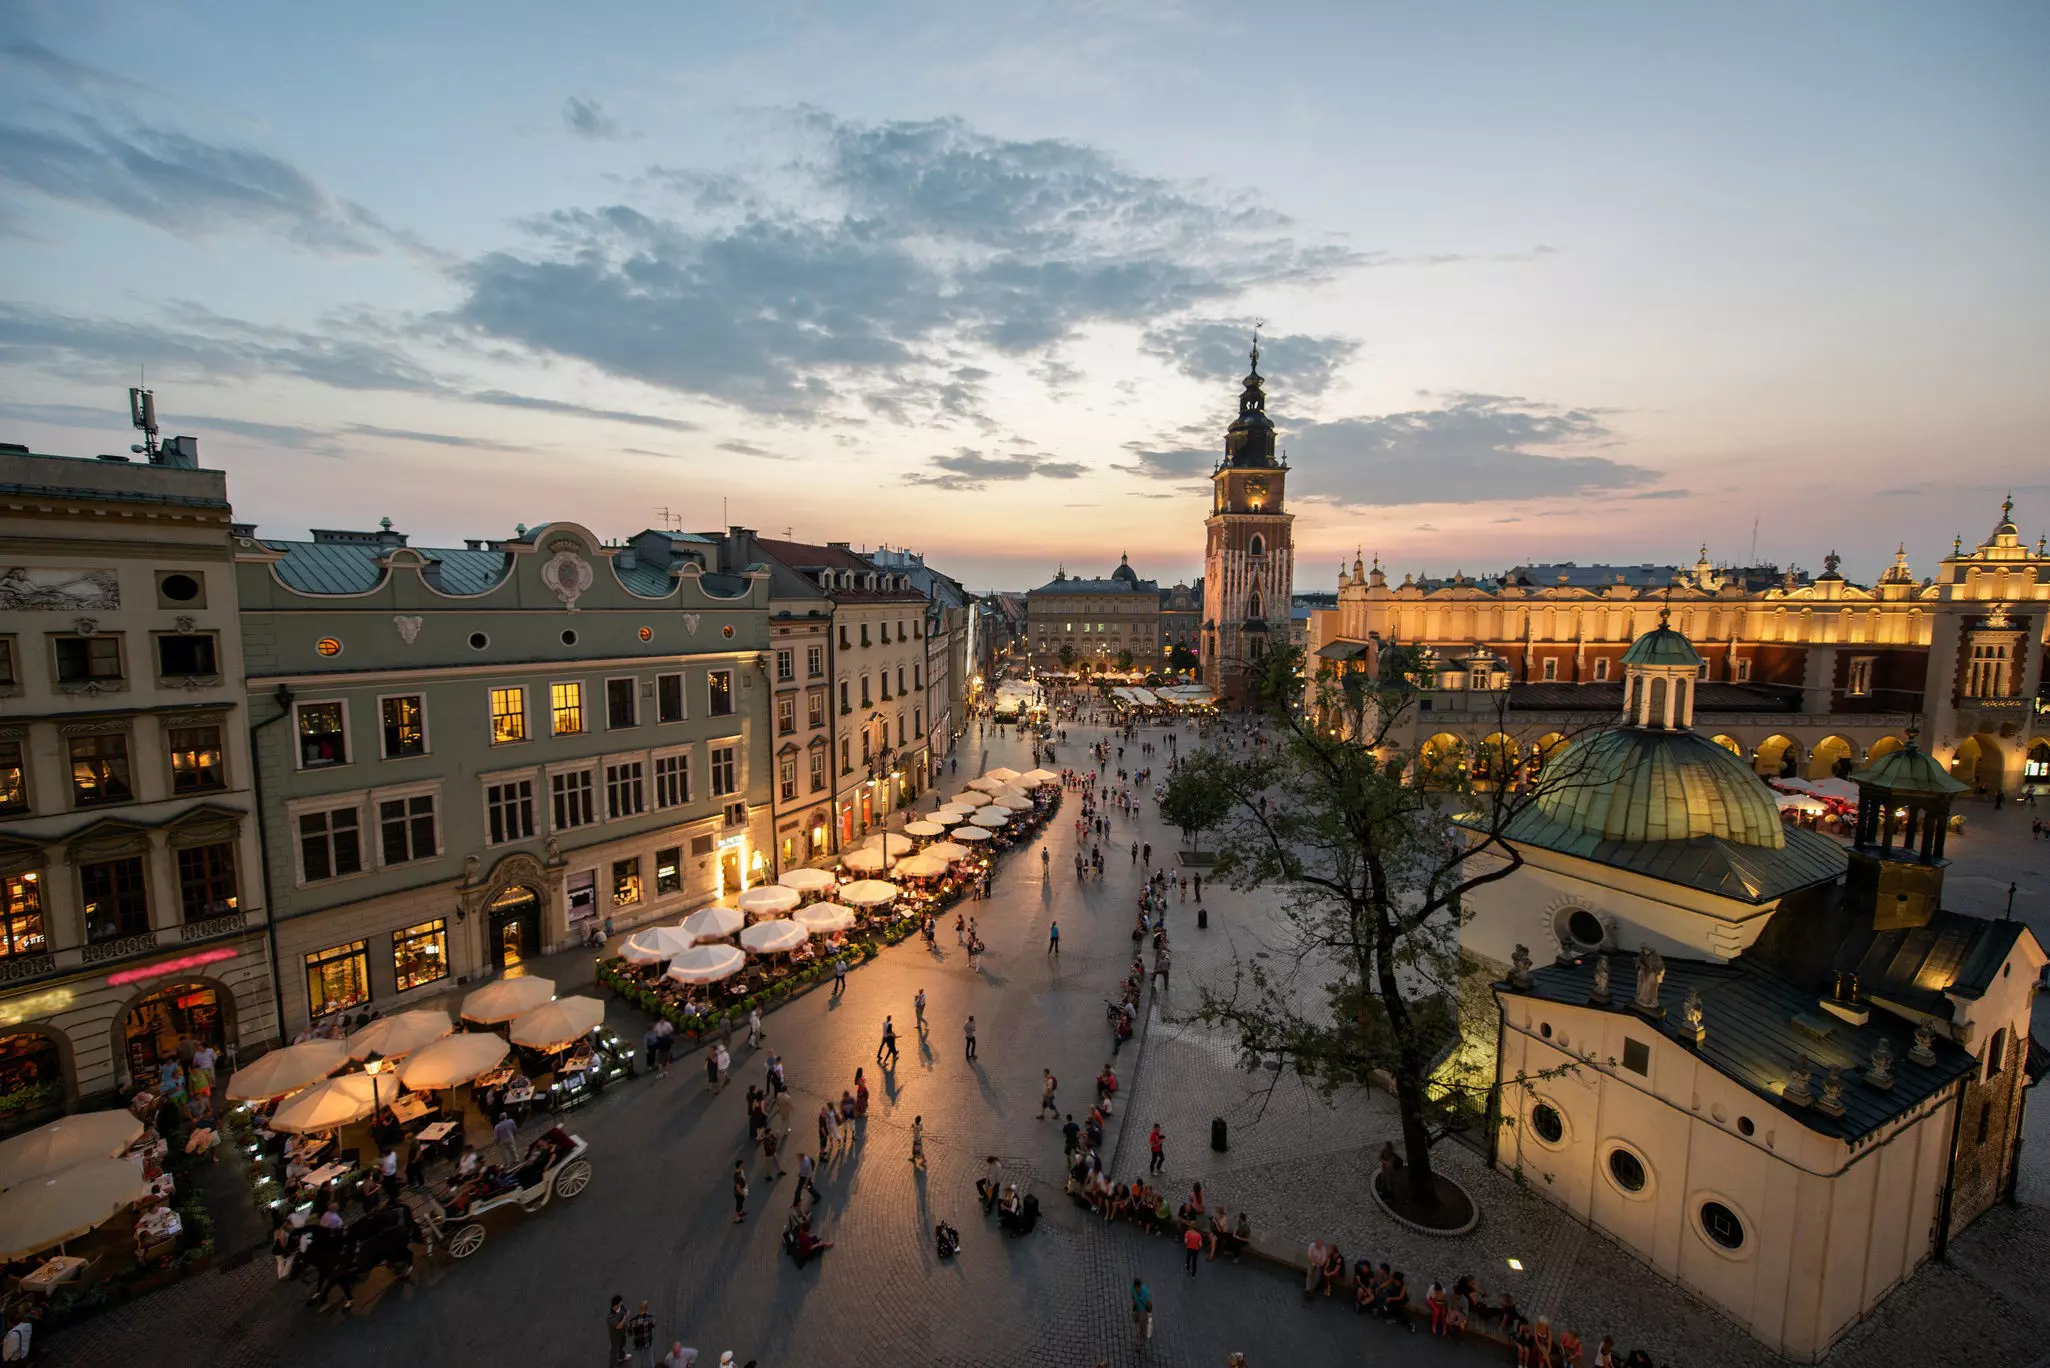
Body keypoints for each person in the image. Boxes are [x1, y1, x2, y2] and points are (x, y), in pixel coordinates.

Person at [628, 1301, 657, 1368]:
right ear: (647, 1309)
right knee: (650, 1358)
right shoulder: (651, 1318)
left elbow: (629, 1333)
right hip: (647, 1342)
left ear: (640, 1308)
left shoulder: (632, 1320)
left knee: (637, 1361)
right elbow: (654, 1324)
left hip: (637, 1343)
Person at [1130, 1278, 1153, 1350]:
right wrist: (1133, 1303)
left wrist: (1149, 1311)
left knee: (1140, 1326)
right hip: (1137, 1309)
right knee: (1135, 1319)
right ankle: (1144, 1326)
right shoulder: (1133, 1288)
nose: (1136, 1289)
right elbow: (1132, 1294)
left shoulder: (1145, 1293)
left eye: (1137, 1288)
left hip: (1143, 1311)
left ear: (1140, 1286)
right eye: (1135, 1288)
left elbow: (1149, 1303)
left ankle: (1139, 1343)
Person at [608, 1295, 629, 1367]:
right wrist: (624, 1319)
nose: (622, 1303)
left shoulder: (622, 1306)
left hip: (622, 1333)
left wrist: (624, 1319)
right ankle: (612, 1366)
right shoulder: (611, 1316)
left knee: (622, 1345)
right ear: (616, 1305)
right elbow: (619, 1326)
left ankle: (622, 1356)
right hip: (615, 1337)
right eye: (620, 1303)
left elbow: (627, 1312)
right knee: (613, 1352)